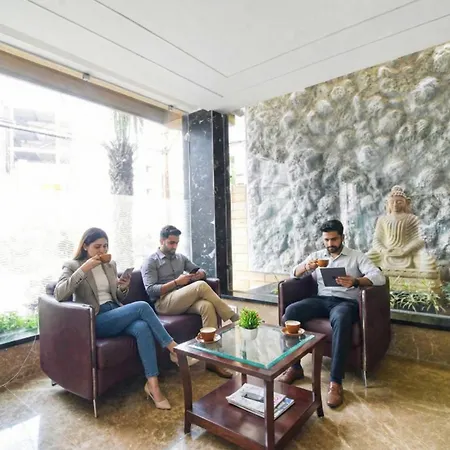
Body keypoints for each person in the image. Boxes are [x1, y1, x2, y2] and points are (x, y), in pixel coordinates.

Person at [54, 227, 182, 410]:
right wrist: (85, 268)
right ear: (85, 246)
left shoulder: (110, 265)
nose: (102, 250)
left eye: (105, 246)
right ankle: (174, 349)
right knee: (142, 306)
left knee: (142, 328)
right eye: (97, 246)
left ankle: (153, 386)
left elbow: (117, 297)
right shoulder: (72, 265)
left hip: (114, 312)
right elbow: (59, 294)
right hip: (95, 318)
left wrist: (123, 286)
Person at [278, 219, 385, 408]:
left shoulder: (356, 257)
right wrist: (307, 267)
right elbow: (293, 272)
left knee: (342, 318)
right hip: (321, 300)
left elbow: (379, 277)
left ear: (342, 237)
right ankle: (295, 368)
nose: (330, 244)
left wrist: (356, 281)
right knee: (291, 311)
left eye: (334, 239)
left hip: (345, 302)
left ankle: (335, 382)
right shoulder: (317, 256)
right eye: (326, 240)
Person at [141, 225, 240, 379]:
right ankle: (235, 319)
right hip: (164, 303)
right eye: (171, 243)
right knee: (200, 287)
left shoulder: (180, 258)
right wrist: (176, 282)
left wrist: (200, 273)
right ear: (161, 241)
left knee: (207, 306)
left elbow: (200, 270)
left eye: (176, 243)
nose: (174, 246)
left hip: (181, 299)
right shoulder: (151, 261)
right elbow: (151, 290)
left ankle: (212, 359)